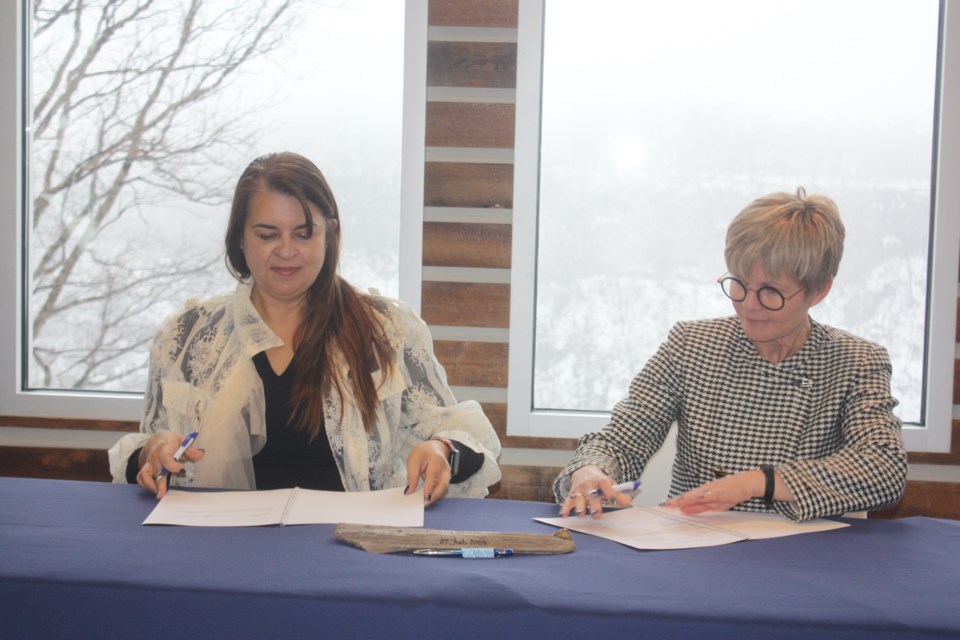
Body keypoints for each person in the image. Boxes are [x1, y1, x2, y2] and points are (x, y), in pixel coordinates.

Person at [108, 152, 501, 503]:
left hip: (352, 556)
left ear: (329, 234)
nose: (286, 250)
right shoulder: (188, 336)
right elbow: (148, 454)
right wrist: (151, 453)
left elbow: (463, 435)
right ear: (240, 238)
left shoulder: (387, 330)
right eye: (267, 234)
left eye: (303, 233)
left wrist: (441, 449)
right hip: (219, 554)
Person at [554, 188, 907, 522]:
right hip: (696, 548)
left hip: (803, 557)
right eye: (739, 283)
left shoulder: (856, 362)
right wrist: (591, 471)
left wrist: (759, 482)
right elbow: (622, 440)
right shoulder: (692, 346)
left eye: (771, 292)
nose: (749, 305)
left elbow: (883, 469)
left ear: (819, 290)